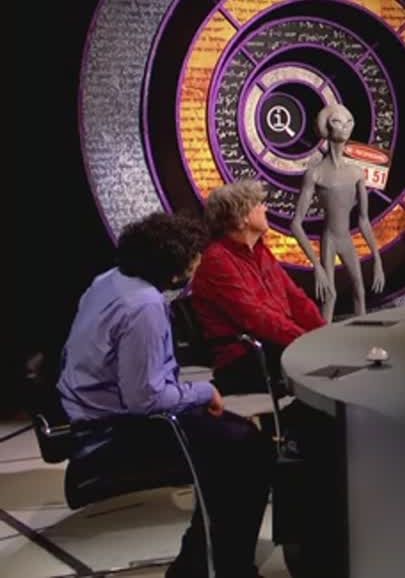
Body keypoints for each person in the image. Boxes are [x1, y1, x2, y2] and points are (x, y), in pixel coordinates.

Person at [56, 212, 272, 578]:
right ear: (174, 269)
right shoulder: (144, 306)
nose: (198, 265)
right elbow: (145, 399)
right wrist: (203, 391)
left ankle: (200, 563)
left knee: (238, 440)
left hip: (86, 407)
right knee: (249, 451)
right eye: (194, 260)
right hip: (111, 428)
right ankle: (224, 568)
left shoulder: (109, 280)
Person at [190, 179, 326, 395]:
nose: (265, 208)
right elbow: (254, 317)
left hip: (278, 343)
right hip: (246, 356)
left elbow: (295, 298)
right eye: (258, 204)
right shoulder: (217, 260)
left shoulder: (261, 252)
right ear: (242, 217)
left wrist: (325, 334)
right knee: (329, 373)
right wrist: (303, 342)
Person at [291, 103, 385, 322]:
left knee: (359, 289)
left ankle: (362, 337)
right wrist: (316, 265)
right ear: (327, 127)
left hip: (346, 239)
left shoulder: (356, 172)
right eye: (337, 121)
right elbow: (295, 224)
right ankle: (325, 339)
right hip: (330, 240)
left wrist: (377, 258)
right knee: (329, 296)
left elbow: (363, 220)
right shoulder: (315, 174)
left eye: (348, 121)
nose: (344, 126)